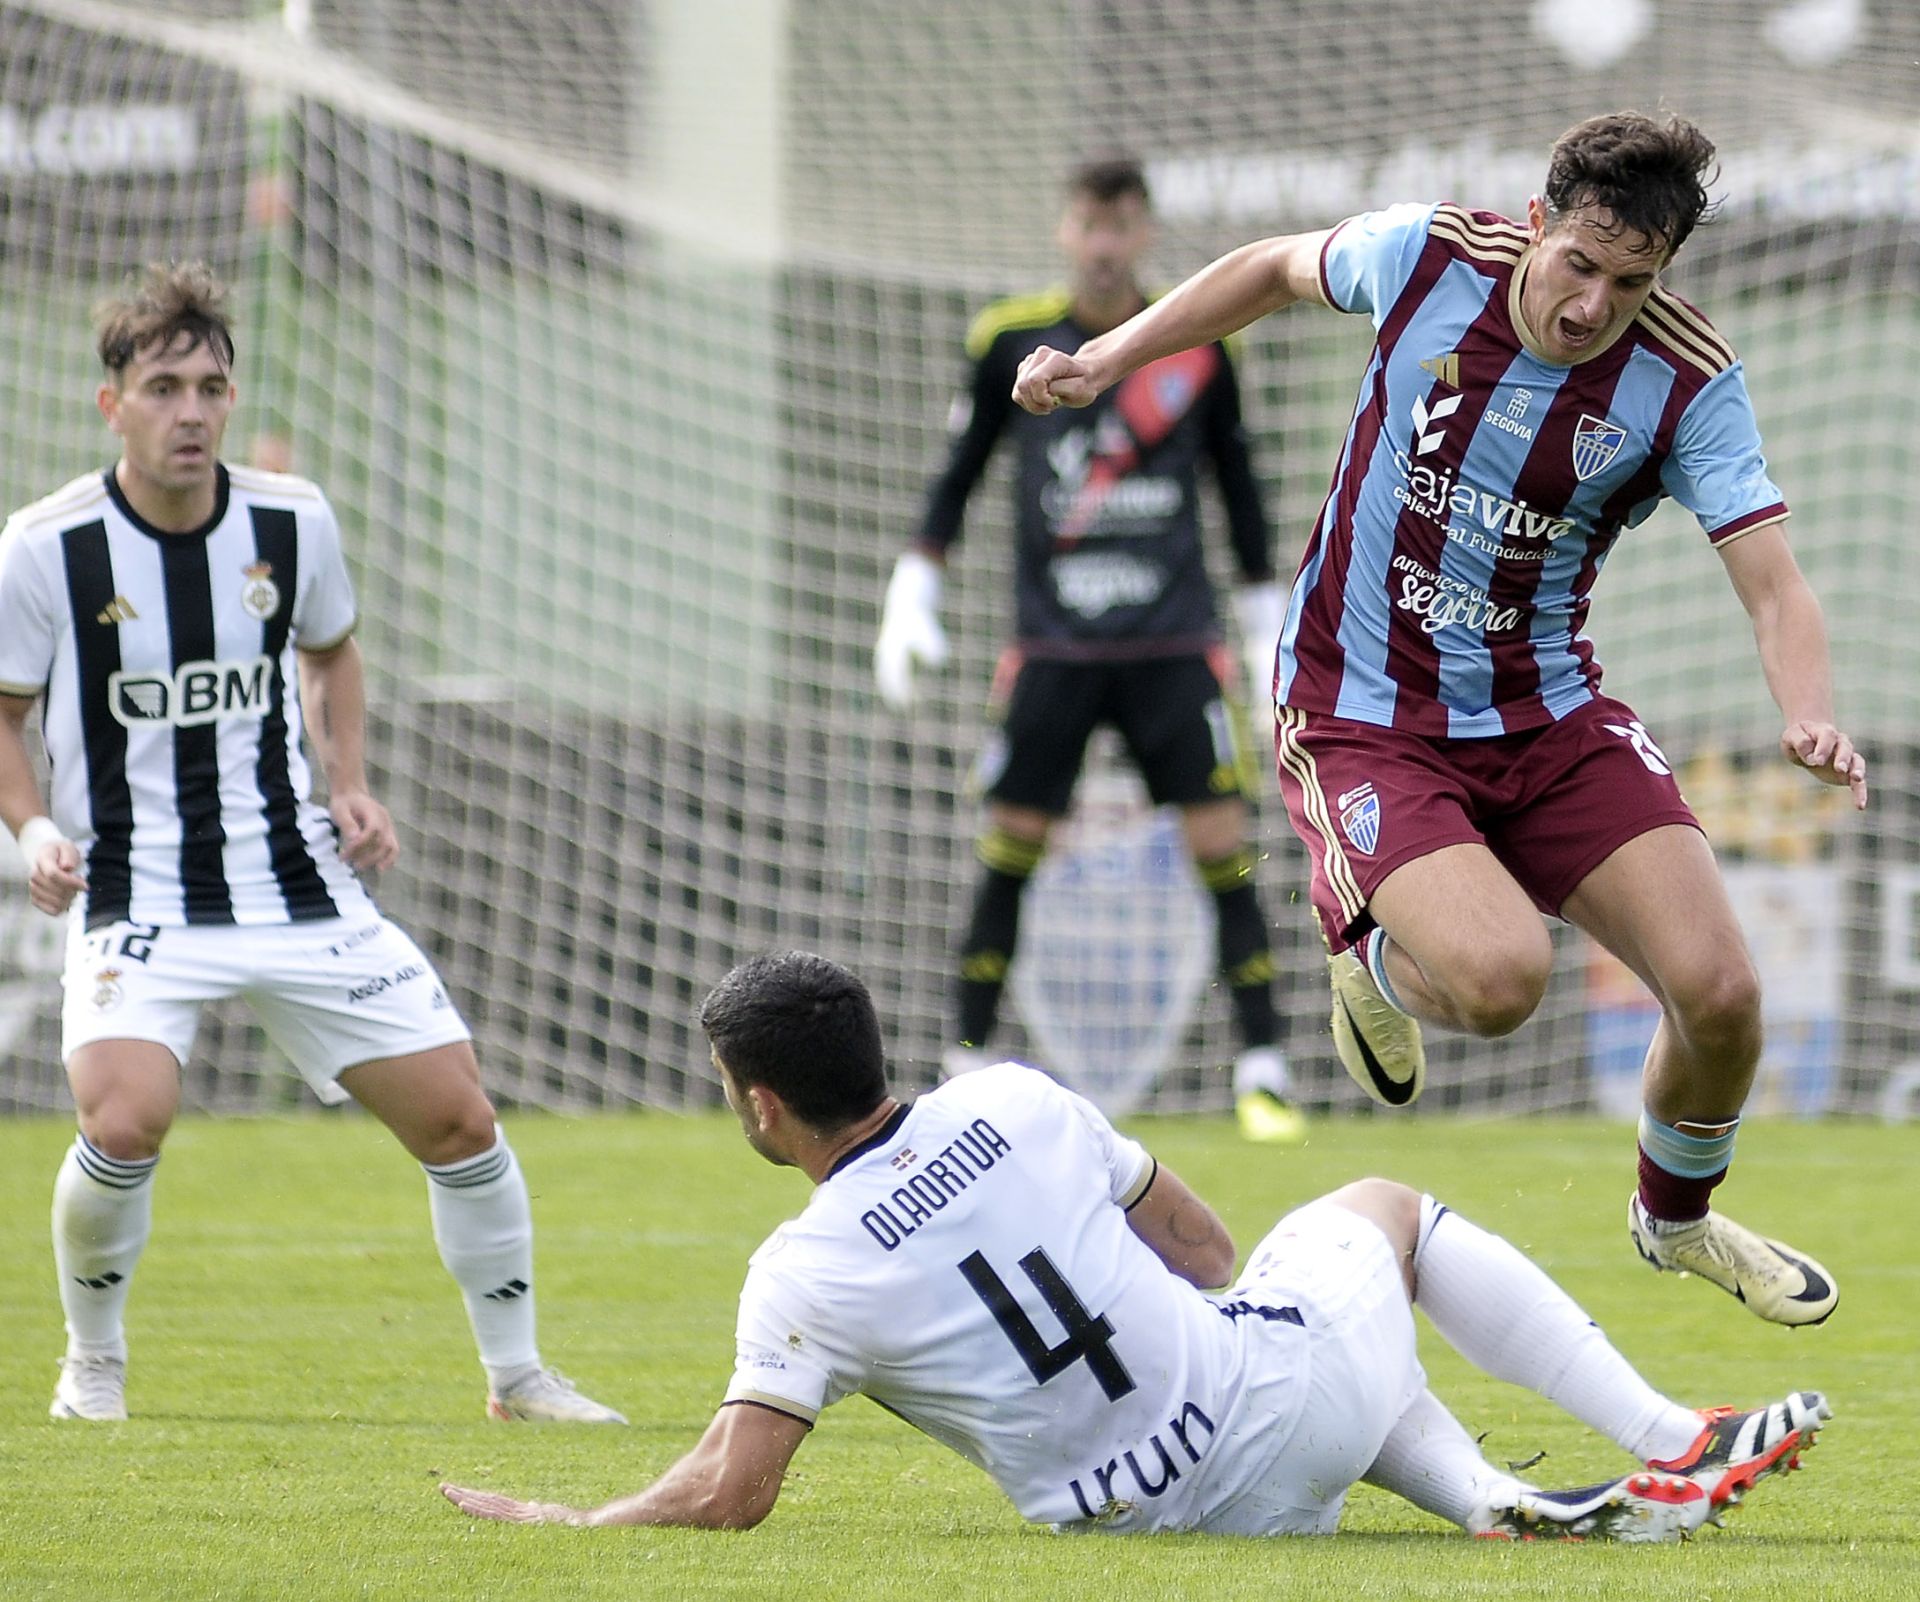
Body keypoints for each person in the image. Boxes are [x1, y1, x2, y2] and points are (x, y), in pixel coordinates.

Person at [1008, 112, 1863, 1326]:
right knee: (1504, 981)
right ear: (1534, 225)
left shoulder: (1686, 378)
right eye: (1579, 265)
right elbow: (1263, 269)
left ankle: (1674, 1220)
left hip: (1548, 715)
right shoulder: (1425, 256)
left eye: (1631, 283)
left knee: (1723, 995)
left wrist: (1813, 715)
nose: (1592, 307)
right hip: (1363, 710)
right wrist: (1110, 359)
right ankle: (1368, 951)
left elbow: (1774, 582)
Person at [441, 950, 1827, 1540]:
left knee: (1326, 1337)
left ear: (760, 1102)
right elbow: (1212, 1250)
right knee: (1377, 1215)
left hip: (1153, 1513)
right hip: (1271, 1402)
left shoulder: (803, 1270)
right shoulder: (1015, 1099)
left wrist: (587, 1518)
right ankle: (1661, 1430)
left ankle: (1497, 1491)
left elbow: (731, 1490)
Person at [0, 262, 623, 1426]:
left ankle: (518, 1377)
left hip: (298, 886)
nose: (191, 411)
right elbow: (3, 710)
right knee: (123, 1117)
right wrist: (34, 828)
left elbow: (331, 650)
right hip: (140, 893)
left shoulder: (294, 517)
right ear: (113, 405)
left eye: (211, 387)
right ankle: (93, 1362)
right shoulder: (45, 548)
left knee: (463, 1119)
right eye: (164, 387)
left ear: (232, 399)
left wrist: (352, 784)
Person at [874, 155, 1304, 1143]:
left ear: (1144, 232)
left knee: (1226, 855)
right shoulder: (1007, 339)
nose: (1105, 244)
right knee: (1008, 853)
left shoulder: (1197, 343)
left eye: (1121, 225)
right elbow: (959, 473)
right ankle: (964, 1066)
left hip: (1175, 644)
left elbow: (1238, 489)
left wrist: (1264, 624)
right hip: (1053, 649)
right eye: (1088, 224)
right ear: (1067, 231)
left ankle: (1264, 1069)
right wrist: (913, 587)